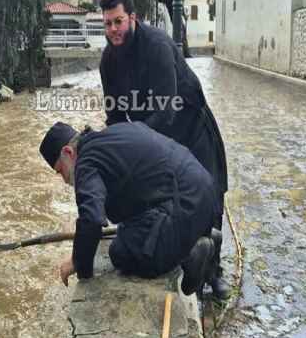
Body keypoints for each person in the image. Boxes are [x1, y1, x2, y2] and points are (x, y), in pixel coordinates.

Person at [98, 0, 232, 299]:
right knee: (162, 199)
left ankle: (213, 273)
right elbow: (115, 116)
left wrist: (137, 146)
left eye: (118, 21)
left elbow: (166, 111)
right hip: (155, 135)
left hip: (190, 128)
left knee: (208, 196)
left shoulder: (156, 46)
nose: (113, 30)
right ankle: (186, 251)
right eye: (107, 24)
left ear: (133, 18)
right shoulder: (108, 62)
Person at [40, 121, 216, 295]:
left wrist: (78, 263)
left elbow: (91, 219)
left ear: (68, 152)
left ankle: (190, 254)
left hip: (183, 205)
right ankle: (202, 234)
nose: (64, 179)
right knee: (128, 228)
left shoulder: (86, 163)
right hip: (205, 194)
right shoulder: (115, 133)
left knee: (121, 251)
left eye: (60, 170)